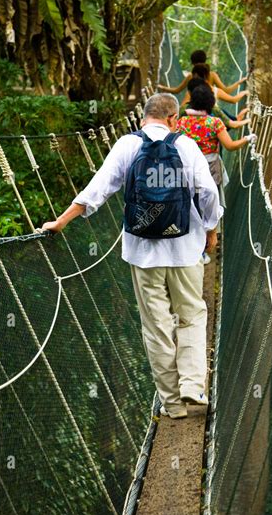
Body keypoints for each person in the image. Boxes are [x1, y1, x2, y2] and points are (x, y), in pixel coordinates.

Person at [42, 93, 223, 420]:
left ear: (144, 117)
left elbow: (97, 189)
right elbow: (208, 192)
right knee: (191, 314)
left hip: (142, 252)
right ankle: (194, 385)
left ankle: (172, 404)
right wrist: (210, 230)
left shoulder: (127, 144)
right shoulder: (186, 145)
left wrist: (60, 222)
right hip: (184, 248)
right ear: (173, 118)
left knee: (156, 326)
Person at [157, 48, 247, 96]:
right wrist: (239, 82)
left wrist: (162, 87)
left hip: (193, 108)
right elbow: (227, 90)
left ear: (192, 63)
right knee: (231, 121)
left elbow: (177, 90)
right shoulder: (212, 75)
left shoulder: (191, 76)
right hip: (209, 109)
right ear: (205, 61)